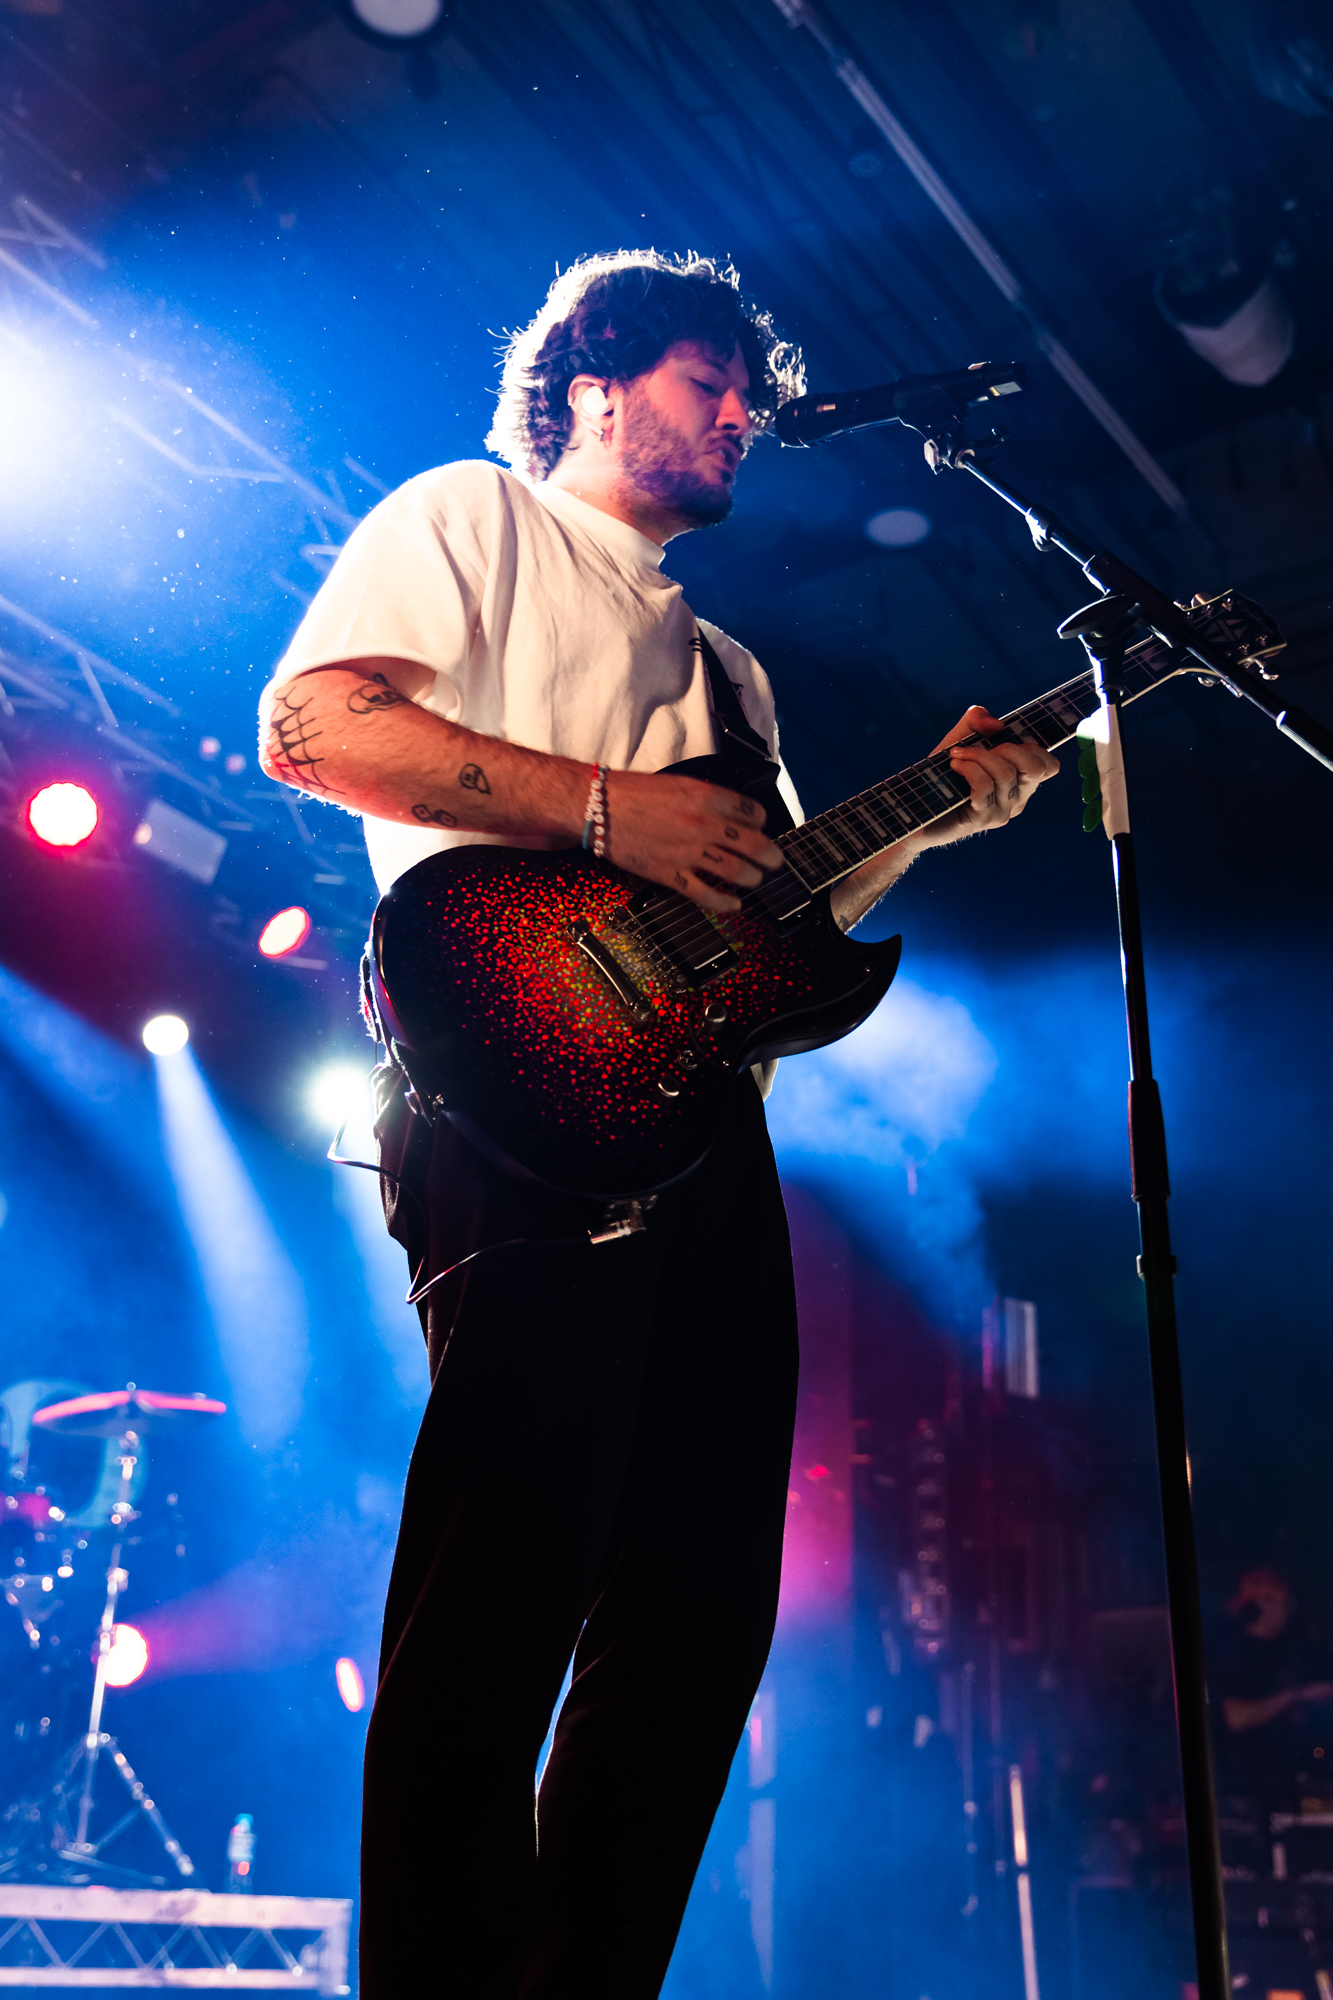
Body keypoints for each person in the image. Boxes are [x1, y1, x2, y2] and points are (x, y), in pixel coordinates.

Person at [258, 250, 1058, 1998]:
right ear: (595, 384)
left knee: (702, 1605)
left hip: (699, 1127)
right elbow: (312, 724)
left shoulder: (732, 677)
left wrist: (938, 815)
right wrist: (608, 812)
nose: (743, 417)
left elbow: (762, 924)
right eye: (713, 384)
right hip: (507, 1083)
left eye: (747, 395)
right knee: (507, 1569)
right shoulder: (472, 516)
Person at [1217, 1566, 1333, 1797]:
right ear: (1262, 1605)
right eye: (1282, 1603)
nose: (1287, 1611)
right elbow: (1237, 1717)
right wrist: (1295, 1695)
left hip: (1293, 1776)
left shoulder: (1290, 1647)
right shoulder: (1237, 1655)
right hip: (1256, 1784)